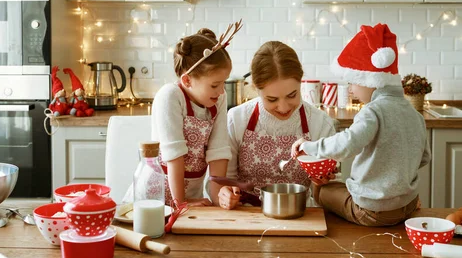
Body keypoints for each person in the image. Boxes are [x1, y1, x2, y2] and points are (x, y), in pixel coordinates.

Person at [291, 24, 431, 226]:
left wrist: (308, 146)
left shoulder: (372, 111)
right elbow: (423, 158)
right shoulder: (414, 113)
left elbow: (347, 145)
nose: (351, 89)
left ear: (370, 80)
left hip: (372, 212)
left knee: (322, 189)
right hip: (408, 206)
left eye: (353, 81)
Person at [211, 41, 336, 209]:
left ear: (300, 83)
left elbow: (329, 195)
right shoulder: (237, 119)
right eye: (272, 99)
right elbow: (225, 181)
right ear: (256, 88)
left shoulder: (320, 123)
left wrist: (320, 184)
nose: (283, 107)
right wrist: (226, 194)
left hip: (301, 216)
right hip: (246, 217)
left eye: (292, 95)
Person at [150, 25, 241, 207]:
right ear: (187, 80)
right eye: (215, 85)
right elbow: (174, 155)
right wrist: (180, 203)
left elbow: (218, 152)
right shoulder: (170, 96)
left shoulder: (218, 99)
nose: (222, 90)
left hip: (192, 200)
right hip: (155, 201)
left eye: (223, 83)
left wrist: (220, 198)